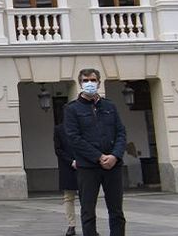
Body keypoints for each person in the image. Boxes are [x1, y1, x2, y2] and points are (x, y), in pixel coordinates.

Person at [64, 69, 127, 236]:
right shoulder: (72, 109)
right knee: (88, 211)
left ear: (99, 82)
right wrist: (98, 157)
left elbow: (121, 132)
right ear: (80, 83)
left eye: (93, 80)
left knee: (117, 211)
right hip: (88, 167)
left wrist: (115, 155)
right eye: (85, 80)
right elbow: (74, 138)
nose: (89, 83)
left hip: (113, 166)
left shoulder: (109, 106)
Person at [55, 113, 79, 236]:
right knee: (68, 198)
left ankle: (89, 224)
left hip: (84, 165)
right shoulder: (59, 129)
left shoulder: (81, 127)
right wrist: (71, 161)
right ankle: (71, 225)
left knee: (88, 198)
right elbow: (58, 149)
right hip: (68, 167)